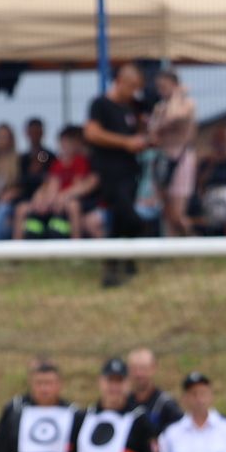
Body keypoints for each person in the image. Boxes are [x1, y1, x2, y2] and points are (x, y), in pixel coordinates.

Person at [84, 62, 149, 286]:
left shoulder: (130, 109)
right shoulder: (100, 104)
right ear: (120, 81)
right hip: (110, 174)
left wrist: (143, 138)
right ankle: (121, 261)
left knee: (121, 222)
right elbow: (91, 133)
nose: (135, 92)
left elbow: (135, 136)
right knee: (130, 218)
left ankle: (119, 267)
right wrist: (125, 142)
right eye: (132, 86)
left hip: (131, 173)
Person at [15, 127, 95, 240]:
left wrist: (62, 197)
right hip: (56, 200)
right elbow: (52, 183)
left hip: (70, 199)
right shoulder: (57, 163)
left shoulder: (80, 161)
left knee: (73, 206)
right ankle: (17, 247)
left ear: (76, 144)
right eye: (62, 143)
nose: (65, 146)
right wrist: (46, 200)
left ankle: (76, 244)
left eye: (68, 143)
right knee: (21, 208)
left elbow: (78, 184)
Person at [149, 68, 199, 238]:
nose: (161, 91)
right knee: (167, 212)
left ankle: (193, 242)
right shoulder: (159, 107)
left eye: (164, 86)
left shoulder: (188, 104)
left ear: (175, 85)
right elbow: (153, 132)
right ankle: (172, 246)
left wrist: (177, 95)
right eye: (159, 87)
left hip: (181, 158)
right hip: (163, 158)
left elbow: (173, 116)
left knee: (178, 213)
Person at [191, 127, 226, 236]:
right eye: (219, 143)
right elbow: (199, 184)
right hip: (210, 199)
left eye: (225, 142)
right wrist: (212, 164)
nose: (222, 146)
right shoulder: (206, 163)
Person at [0, 123, 23, 241]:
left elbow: (24, 188)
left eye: (5, 137)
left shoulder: (19, 161)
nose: (2, 141)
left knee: (2, 209)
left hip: (10, 207)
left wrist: (11, 194)